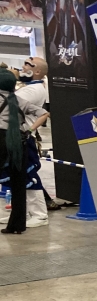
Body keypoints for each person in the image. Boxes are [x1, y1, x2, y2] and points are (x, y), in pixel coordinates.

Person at [0, 69, 49, 235]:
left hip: (1, 139)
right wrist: (29, 130)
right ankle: (17, 225)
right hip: (18, 140)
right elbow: (44, 113)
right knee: (19, 184)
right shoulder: (20, 100)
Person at [15, 56, 51, 226]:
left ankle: (39, 214)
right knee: (14, 176)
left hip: (23, 137)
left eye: (28, 64)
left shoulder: (32, 90)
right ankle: (19, 212)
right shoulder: (28, 87)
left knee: (29, 175)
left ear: (37, 71)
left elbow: (9, 102)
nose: (23, 67)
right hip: (14, 135)